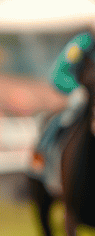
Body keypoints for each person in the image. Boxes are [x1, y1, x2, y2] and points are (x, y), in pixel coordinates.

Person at [32, 28, 93, 192]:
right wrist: (78, 89)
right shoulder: (83, 43)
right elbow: (58, 74)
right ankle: (38, 163)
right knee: (63, 119)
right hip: (82, 94)